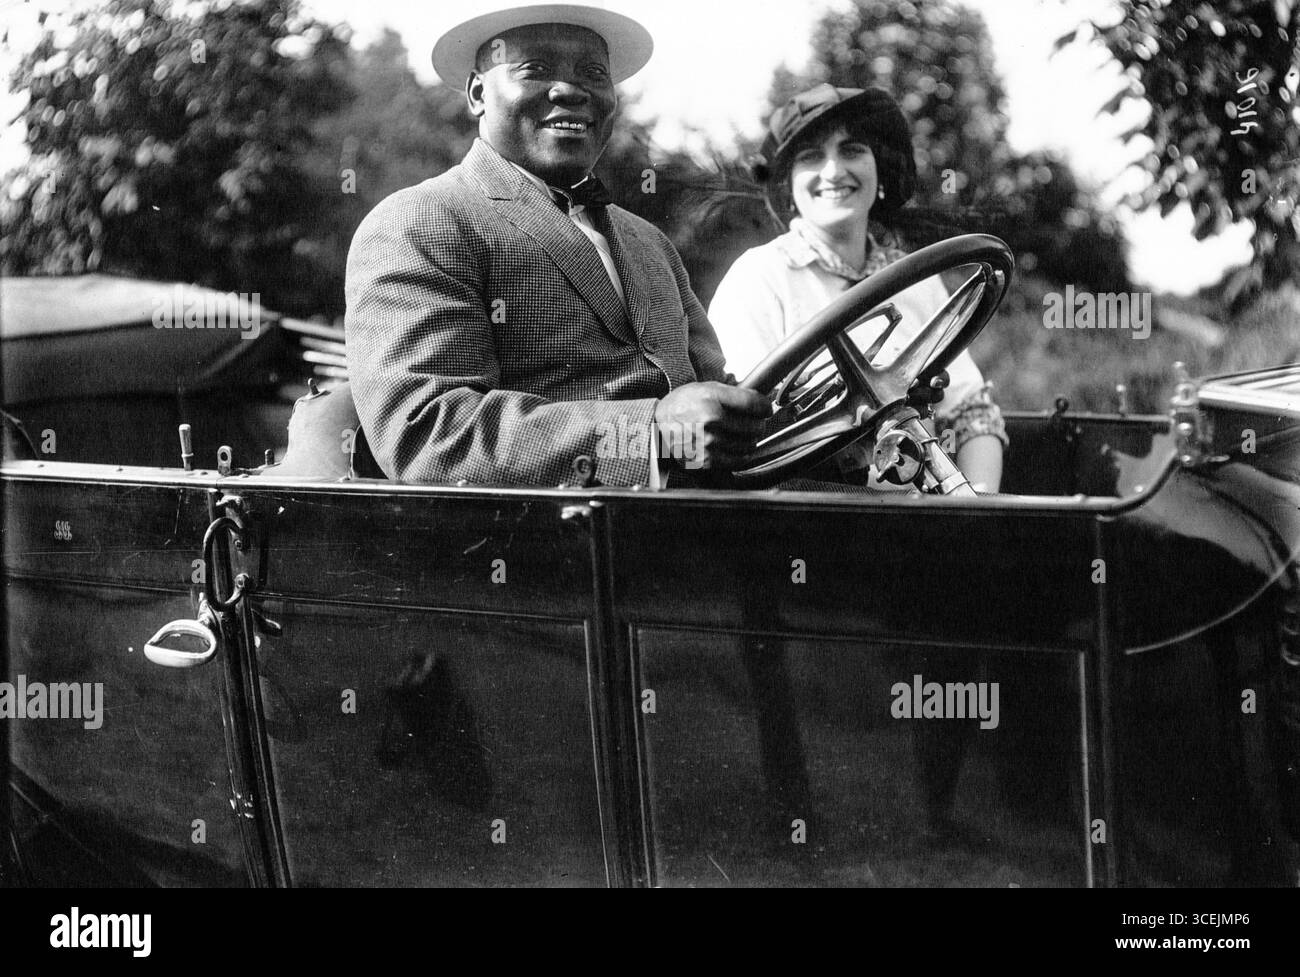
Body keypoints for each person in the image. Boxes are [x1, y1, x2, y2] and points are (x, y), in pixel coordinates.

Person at [345, 1, 771, 487]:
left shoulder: (649, 242)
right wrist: (650, 434)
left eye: (593, 72)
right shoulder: (420, 221)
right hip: (548, 543)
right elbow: (428, 433)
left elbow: (714, 394)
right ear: (478, 93)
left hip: (702, 516)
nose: (571, 89)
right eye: (536, 69)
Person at [709, 85, 1007, 492]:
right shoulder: (759, 278)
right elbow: (756, 440)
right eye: (812, 157)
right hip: (817, 519)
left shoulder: (919, 279)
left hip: (936, 518)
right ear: (790, 188)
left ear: (879, 170)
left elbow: (973, 413)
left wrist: (981, 509)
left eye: (852, 151)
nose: (833, 171)